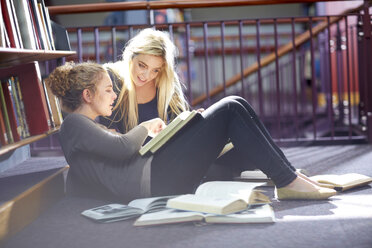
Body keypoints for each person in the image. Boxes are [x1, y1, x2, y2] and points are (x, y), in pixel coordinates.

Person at [46, 61, 337, 203]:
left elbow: (110, 160)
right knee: (230, 108)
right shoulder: (73, 124)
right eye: (108, 89)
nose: (113, 95)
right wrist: (146, 127)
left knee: (235, 132)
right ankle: (287, 180)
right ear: (87, 95)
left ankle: (290, 175)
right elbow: (122, 148)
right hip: (154, 180)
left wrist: (174, 132)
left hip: (155, 173)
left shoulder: (85, 127)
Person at [101, 28, 189, 134]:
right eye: (142, 66)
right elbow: (107, 134)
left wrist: (193, 122)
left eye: (155, 70)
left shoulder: (167, 80)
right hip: (122, 150)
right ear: (130, 56)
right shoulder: (109, 78)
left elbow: (181, 127)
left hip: (163, 150)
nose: (146, 76)